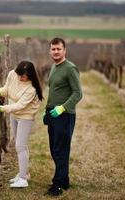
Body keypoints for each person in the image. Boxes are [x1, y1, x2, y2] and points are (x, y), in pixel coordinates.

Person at [0, 60, 43, 188]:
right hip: (14, 115)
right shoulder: (13, 74)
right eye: (19, 75)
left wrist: (0, 108)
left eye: (23, 76)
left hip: (26, 116)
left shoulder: (31, 89)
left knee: (20, 146)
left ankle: (23, 179)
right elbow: (7, 89)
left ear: (30, 76)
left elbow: (19, 106)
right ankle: (25, 173)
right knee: (21, 145)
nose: (20, 78)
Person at [43, 37, 82, 196]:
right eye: (53, 49)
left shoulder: (70, 68)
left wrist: (62, 108)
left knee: (61, 150)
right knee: (54, 149)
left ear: (64, 50)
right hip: (53, 113)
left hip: (65, 115)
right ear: (50, 50)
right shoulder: (53, 67)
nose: (56, 51)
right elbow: (54, 91)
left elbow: (78, 94)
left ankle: (57, 185)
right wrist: (47, 111)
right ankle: (64, 180)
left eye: (59, 49)